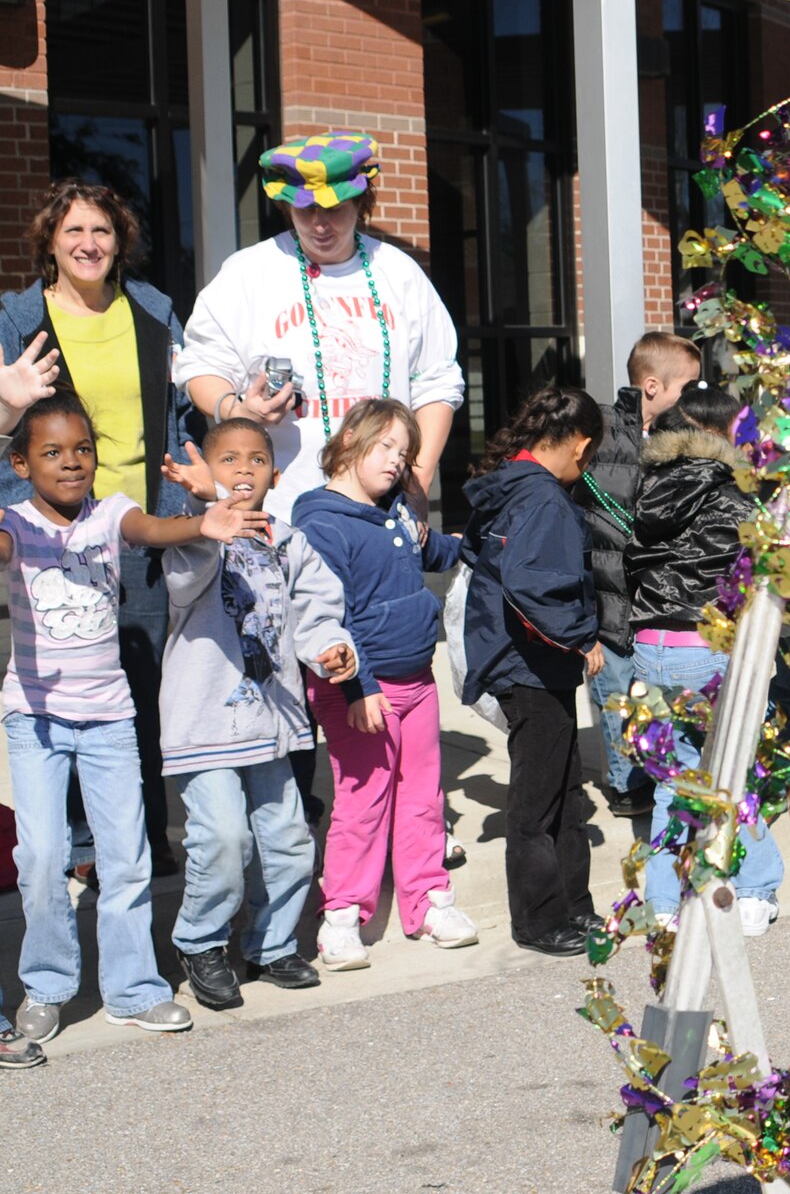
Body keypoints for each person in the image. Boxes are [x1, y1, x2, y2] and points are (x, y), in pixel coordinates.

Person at [175, 133, 465, 815]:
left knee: (386, 653)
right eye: (307, 213)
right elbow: (195, 364)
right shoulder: (247, 274)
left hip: (379, 513)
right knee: (288, 651)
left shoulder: (398, 273)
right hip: (282, 510)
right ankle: (303, 814)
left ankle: (402, 809)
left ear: (361, 200)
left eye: (337, 208)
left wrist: (417, 474)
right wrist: (234, 406)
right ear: (286, 210)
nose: (323, 224)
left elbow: (439, 378)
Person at [5, 393, 267, 1043]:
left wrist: (203, 523)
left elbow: (152, 529)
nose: (72, 463)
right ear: (20, 463)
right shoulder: (13, 525)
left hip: (109, 722)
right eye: (52, 453)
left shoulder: (110, 514)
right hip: (33, 720)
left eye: (83, 450)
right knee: (40, 857)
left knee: (127, 857)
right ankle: (47, 984)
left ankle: (133, 987)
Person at [1, 180, 202, 873]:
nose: (89, 245)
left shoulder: (151, 310)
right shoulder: (17, 317)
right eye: (75, 232)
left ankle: (143, 834)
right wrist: (19, 522)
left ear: (121, 243)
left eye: (103, 232)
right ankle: (84, 841)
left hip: (138, 527)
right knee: (64, 685)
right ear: (50, 242)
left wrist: (190, 496)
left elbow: (183, 413)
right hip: (54, 535)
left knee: (137, 685)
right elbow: (7, 432)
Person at [156, 419, 356, 1008]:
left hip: (273, 724)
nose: (243, 469)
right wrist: (208, 512)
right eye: (228, 460)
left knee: (290, 838)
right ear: (208, 472)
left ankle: (270, 945)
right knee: (221, 838)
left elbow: (316, 610)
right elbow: (185, 584)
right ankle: (201, 940)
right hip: (207, 724)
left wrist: (329, 648)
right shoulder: (194, 535)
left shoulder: (290, 540)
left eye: (256, 460)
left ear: (275, 472)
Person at [292, 400, 477, 970]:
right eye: (386, 448)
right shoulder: (322, 521)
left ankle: (428, 898)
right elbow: (330, 618)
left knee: (423, 794)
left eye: (405, 453)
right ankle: (342, 915)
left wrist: (482, 541)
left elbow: (437, 550)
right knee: (363, 799)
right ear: (350, 441)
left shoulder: (395, 511)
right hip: (356, 689)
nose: (397, 462)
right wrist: (358, 688)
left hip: (416, 679)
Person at [627, 383, 790, 931]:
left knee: (672, 778)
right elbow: (766, 570)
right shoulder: (736, 490)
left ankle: (665, 903)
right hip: (709, 647)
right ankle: (753, 892)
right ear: (723, 431)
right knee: (734, 772)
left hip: (651, 647)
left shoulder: (643, 485)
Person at [461, 388, 605, 958]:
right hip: (531, 663)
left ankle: (573, 905)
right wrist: (580, 637)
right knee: (539, 801)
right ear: (582, 444)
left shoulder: (511, 483)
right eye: (587, 459)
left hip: (526, 660)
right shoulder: (543, 497)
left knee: (563, 790)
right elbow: (532, 586)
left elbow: (479, 553)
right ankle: (540, 920)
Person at [582, 331, 701, 820]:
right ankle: (626, 782)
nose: (691, 396)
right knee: (617, 688)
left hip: (654, 589)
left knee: (649, 689)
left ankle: (653, 773)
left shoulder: (681, 438)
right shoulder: (603, 430)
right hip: (607, 586)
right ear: (652, 386)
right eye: (686, 387)